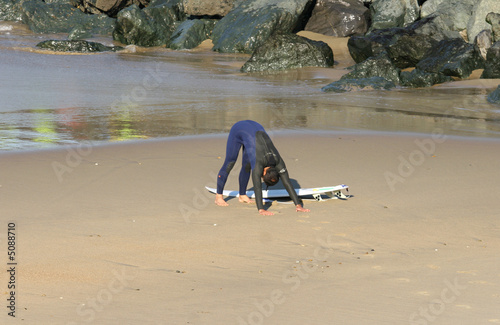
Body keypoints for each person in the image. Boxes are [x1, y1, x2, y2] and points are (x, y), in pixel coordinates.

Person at [215, 120, 310, 216]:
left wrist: (298, 205)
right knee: (230, 162)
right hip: (239, 129)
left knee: (247, 165)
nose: (260, 177)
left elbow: (287, 182)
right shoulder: (258, 163)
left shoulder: (279, 162)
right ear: (264, 173)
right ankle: (218, 197)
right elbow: (257, 186)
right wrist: (261, 209)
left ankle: (242, 195)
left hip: (255, 128)